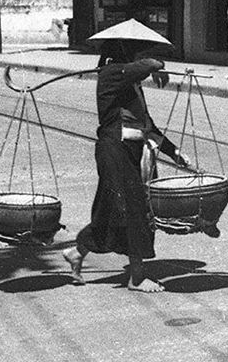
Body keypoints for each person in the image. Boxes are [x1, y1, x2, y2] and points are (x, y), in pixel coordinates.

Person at [63, 40, 192, 292]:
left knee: (117, 212)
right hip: (115, 151)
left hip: (133, 152)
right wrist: (156, 65)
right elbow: (147, 65)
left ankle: (77, 252)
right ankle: (137, 277)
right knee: (134, 211)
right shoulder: (110, 74)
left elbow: (148, 126)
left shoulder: (130, 84)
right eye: (135, 54)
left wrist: (173, 152)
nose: (137, 58)